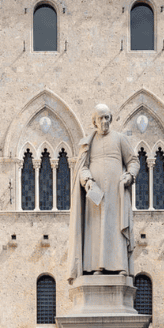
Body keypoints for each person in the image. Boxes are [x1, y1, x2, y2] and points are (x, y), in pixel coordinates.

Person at [67, 103, 138, 283]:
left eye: (107, 117)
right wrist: (88, 181)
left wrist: (130, 175)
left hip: (116, 193)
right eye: (101, 118)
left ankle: (121, 266)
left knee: (115, 227)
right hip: (95, 196)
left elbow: (133, 161)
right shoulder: (87, 143)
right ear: (94, 122)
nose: (105, 121)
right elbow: (82, 168)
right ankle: (95, 267)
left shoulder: (120, 139)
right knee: (96, 229)